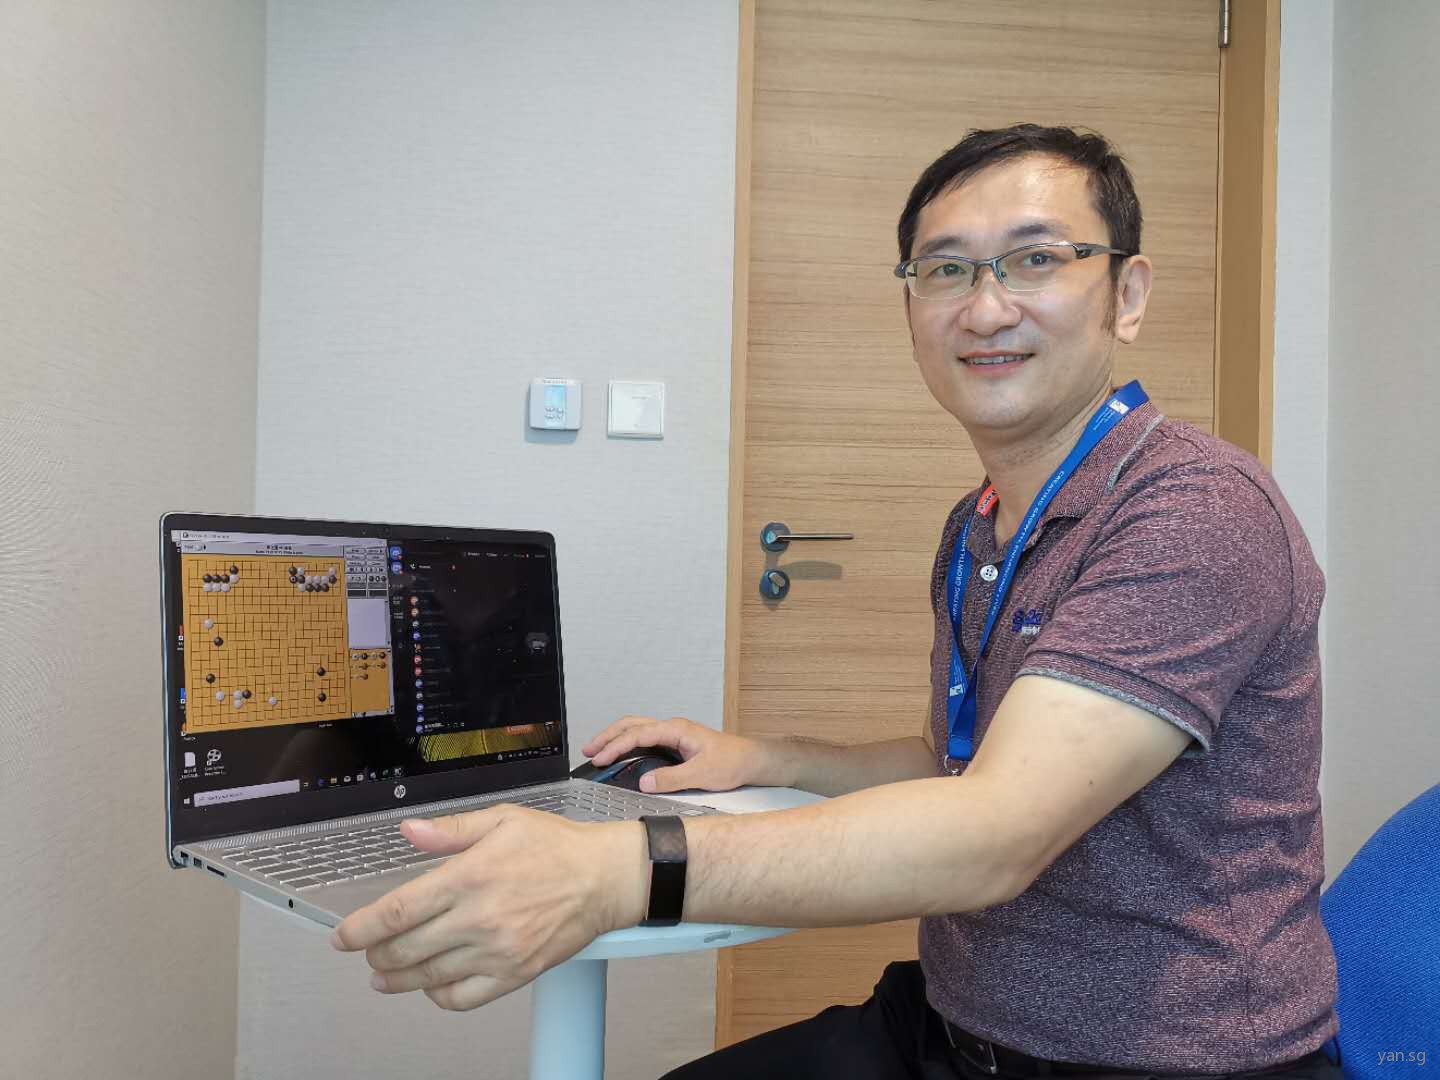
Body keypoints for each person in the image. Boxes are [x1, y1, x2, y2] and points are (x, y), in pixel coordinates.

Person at [330, 125, 1343, 1079]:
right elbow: (965, 763)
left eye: (1035, 260)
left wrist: (615, 870)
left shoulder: (1195, 510)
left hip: (1164, 1057)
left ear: (1127, 294)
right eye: (946, 270)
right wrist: (769, 758)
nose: (986, 308)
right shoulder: (981, 524)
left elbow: (994, 833)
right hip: (953, 1024)